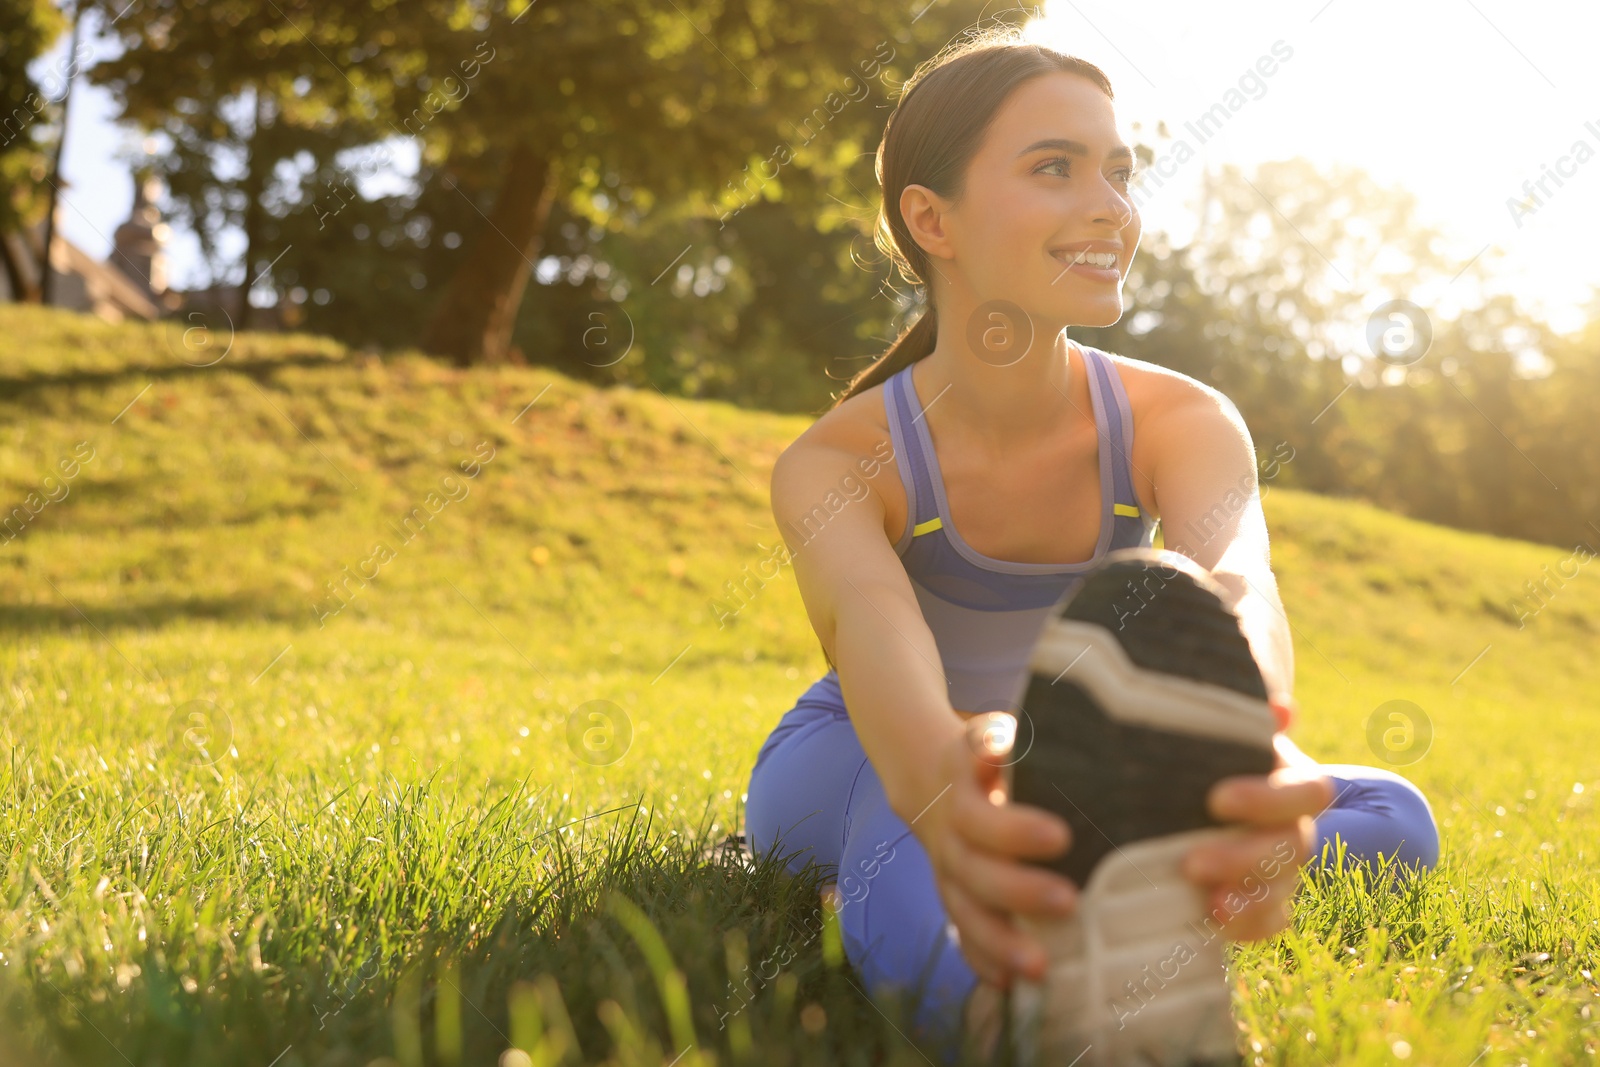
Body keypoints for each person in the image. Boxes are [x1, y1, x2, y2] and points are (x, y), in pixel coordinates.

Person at [743, 27, 1440, 1065]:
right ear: (931, 218)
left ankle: (1104, 848)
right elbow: (871, 625)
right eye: (1054, 167)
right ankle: (1022, 1019)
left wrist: (1246, 757)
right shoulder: (838, 456)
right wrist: (942, 773)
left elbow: (1237, 577)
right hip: (877, 743)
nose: (1111, 205)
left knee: (1393, 814)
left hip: (1080, 751)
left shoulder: (1180, 417)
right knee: (926, 832)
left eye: (1118, 170)